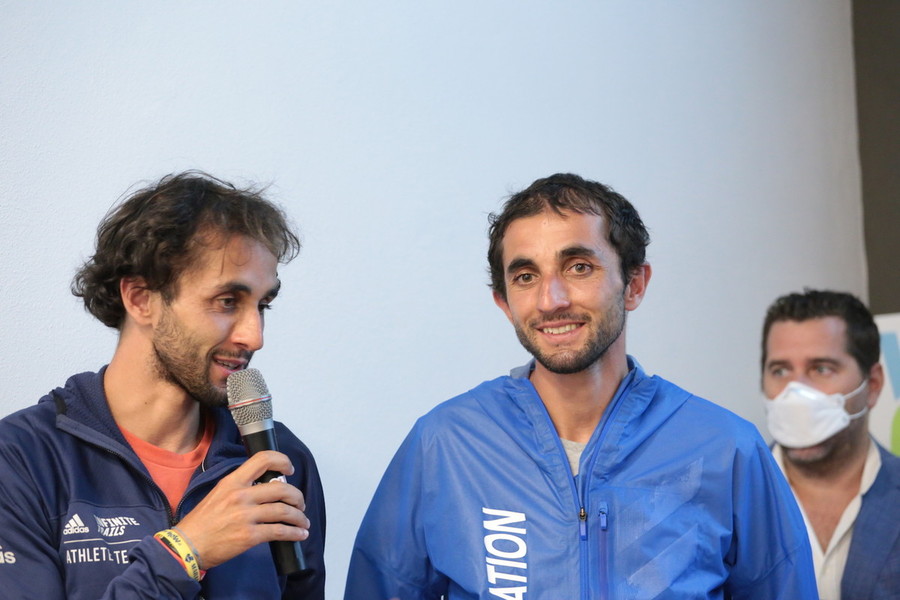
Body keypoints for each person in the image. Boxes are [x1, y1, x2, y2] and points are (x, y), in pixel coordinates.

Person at [344, 173, 817, 599]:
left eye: (579, 267)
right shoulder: (445, 445)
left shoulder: (725, 449)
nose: (551, 300)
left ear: (634, 284)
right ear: (504, 303)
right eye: (526, 276)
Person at [0, 172, 325, 599]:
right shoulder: (22, 459)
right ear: (141, 299)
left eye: (262, 305)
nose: (254, 336)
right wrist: (184, 553)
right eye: (228, 302)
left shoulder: (282, 460)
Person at [760, 289, 900, 600]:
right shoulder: (727, 499)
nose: (796, 392)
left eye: (821, 368)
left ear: (873, 385)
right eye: (780, 370)